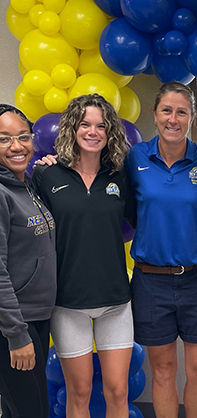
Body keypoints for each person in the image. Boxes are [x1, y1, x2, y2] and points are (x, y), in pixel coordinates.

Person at [31, 94, 136, 418]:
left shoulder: (120, 175)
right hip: (67, 301)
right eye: (85, 124)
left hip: (115, 301)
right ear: (72, 129)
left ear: (110, 132)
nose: (93, 131)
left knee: (118, 391)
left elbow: (145, 217)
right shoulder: (47, 175)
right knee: (80, 392)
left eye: (101, 126)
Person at [125, 81, 197, 418]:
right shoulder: (135, 158)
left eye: (182, 112)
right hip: (151, 282)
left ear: (192, 117)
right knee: (163, 372)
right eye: (167, 110)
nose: (173, 119)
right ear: (155, 114)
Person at [0, 104, 56, 418]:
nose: (17, 146)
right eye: (4, 139)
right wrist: (16, 334)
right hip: (12, 326)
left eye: (23, 136)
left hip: (34, 318)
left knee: (17, 411)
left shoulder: (27, 186)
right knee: (32, 412)